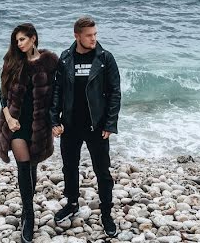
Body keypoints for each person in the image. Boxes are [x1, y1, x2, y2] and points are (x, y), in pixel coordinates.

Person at [49, 16, 122, 237]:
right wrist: (54, 119)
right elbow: (57, 92)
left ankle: (106, 213)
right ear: (77, 35)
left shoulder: (105, 58)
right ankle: (72, 203)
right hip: (70, 125)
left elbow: (115, 93)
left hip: (97, 126)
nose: (93, 39)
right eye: (89, 35)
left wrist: (110, 123)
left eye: (95, 34)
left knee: (103, 172)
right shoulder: (65, 59)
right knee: (69, 168)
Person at [0, 23, 59, 243]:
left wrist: (57, 121)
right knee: (23, 162)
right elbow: (2, 95)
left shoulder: (49, 62)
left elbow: (58, 95)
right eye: (16, 40)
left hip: (38, 124)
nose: (18, 44)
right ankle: (28, 216)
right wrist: (10, 119)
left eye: (22, 39)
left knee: (32, 164)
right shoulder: (12, 62)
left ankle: (26, 207)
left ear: (33, 38)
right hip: (16, 123)